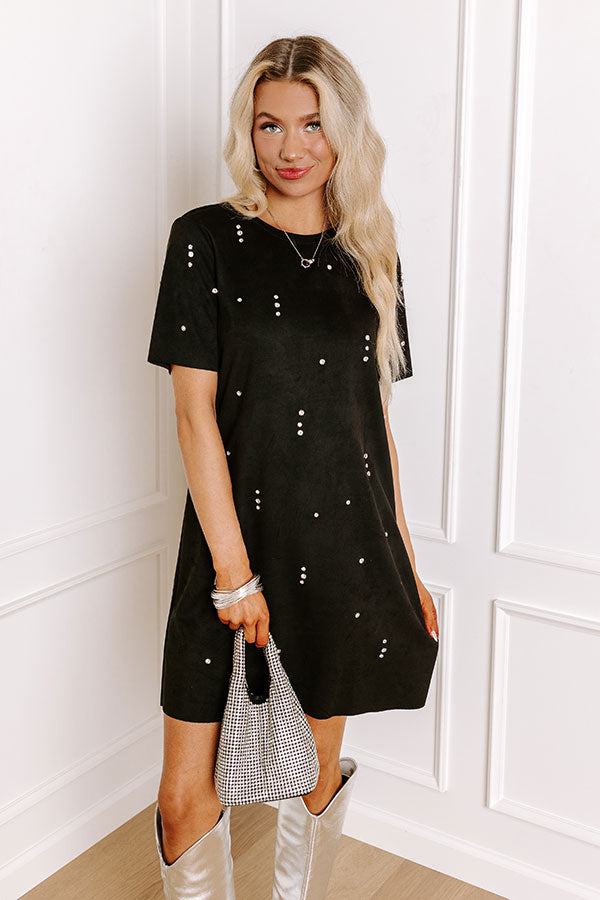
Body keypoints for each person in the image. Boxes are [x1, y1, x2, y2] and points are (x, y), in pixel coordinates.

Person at [147, 34, 440, 900]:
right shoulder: (205, 239)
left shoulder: (372, 256)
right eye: (269, 124)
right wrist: (234, 577)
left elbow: (373, 428)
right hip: (230, 552)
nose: (291, 148)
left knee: (312, 776)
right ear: (249, 132)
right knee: (185, 800)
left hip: (346, 545)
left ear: (344, 131)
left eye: (312, 124)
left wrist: (407, 561)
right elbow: (194, 416)